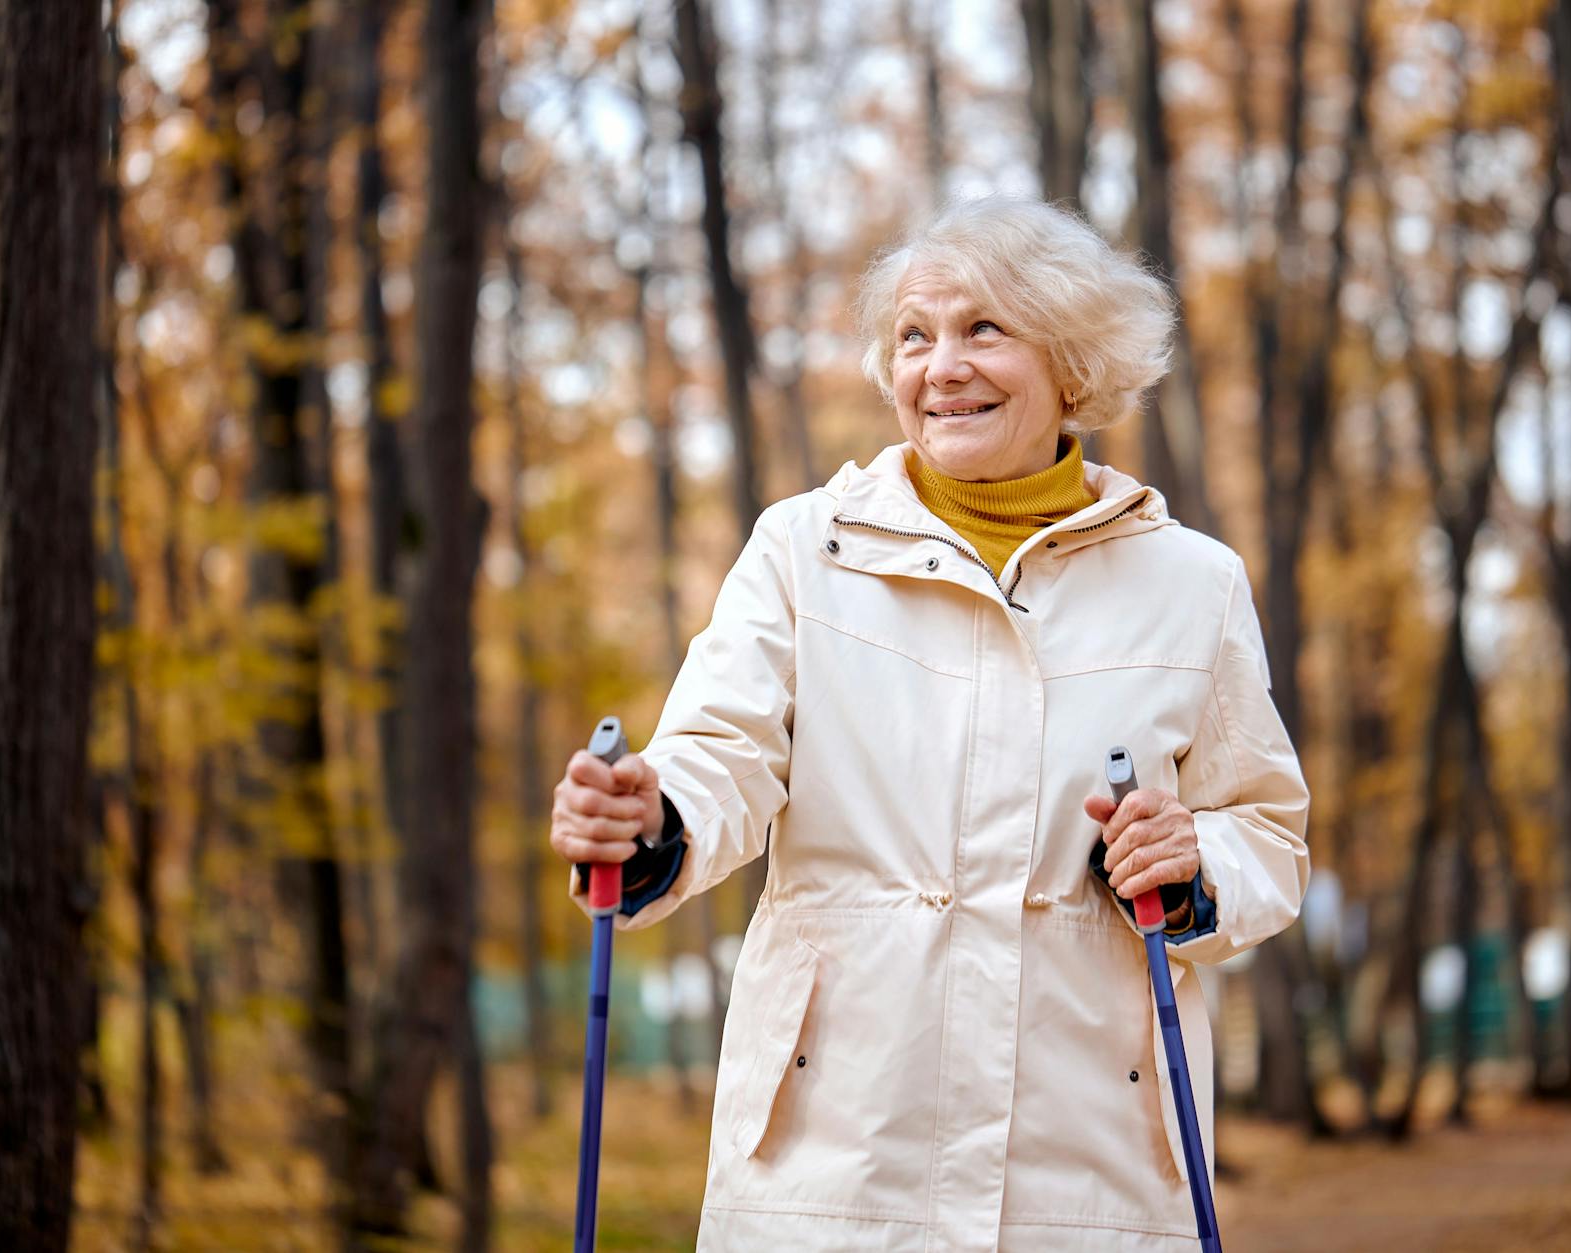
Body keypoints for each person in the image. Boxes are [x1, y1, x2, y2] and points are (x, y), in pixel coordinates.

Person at [549, 195, 1310, 1251]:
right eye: (914, 336)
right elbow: (717, 755)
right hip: (831, 1170)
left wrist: (1193, 862)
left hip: (1091, 1183)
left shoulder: (1193, 584)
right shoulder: (803, 552)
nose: (941, 367)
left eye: (983, 329)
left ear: (1072, 362)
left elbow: (1266, 831)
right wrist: (651, 816)